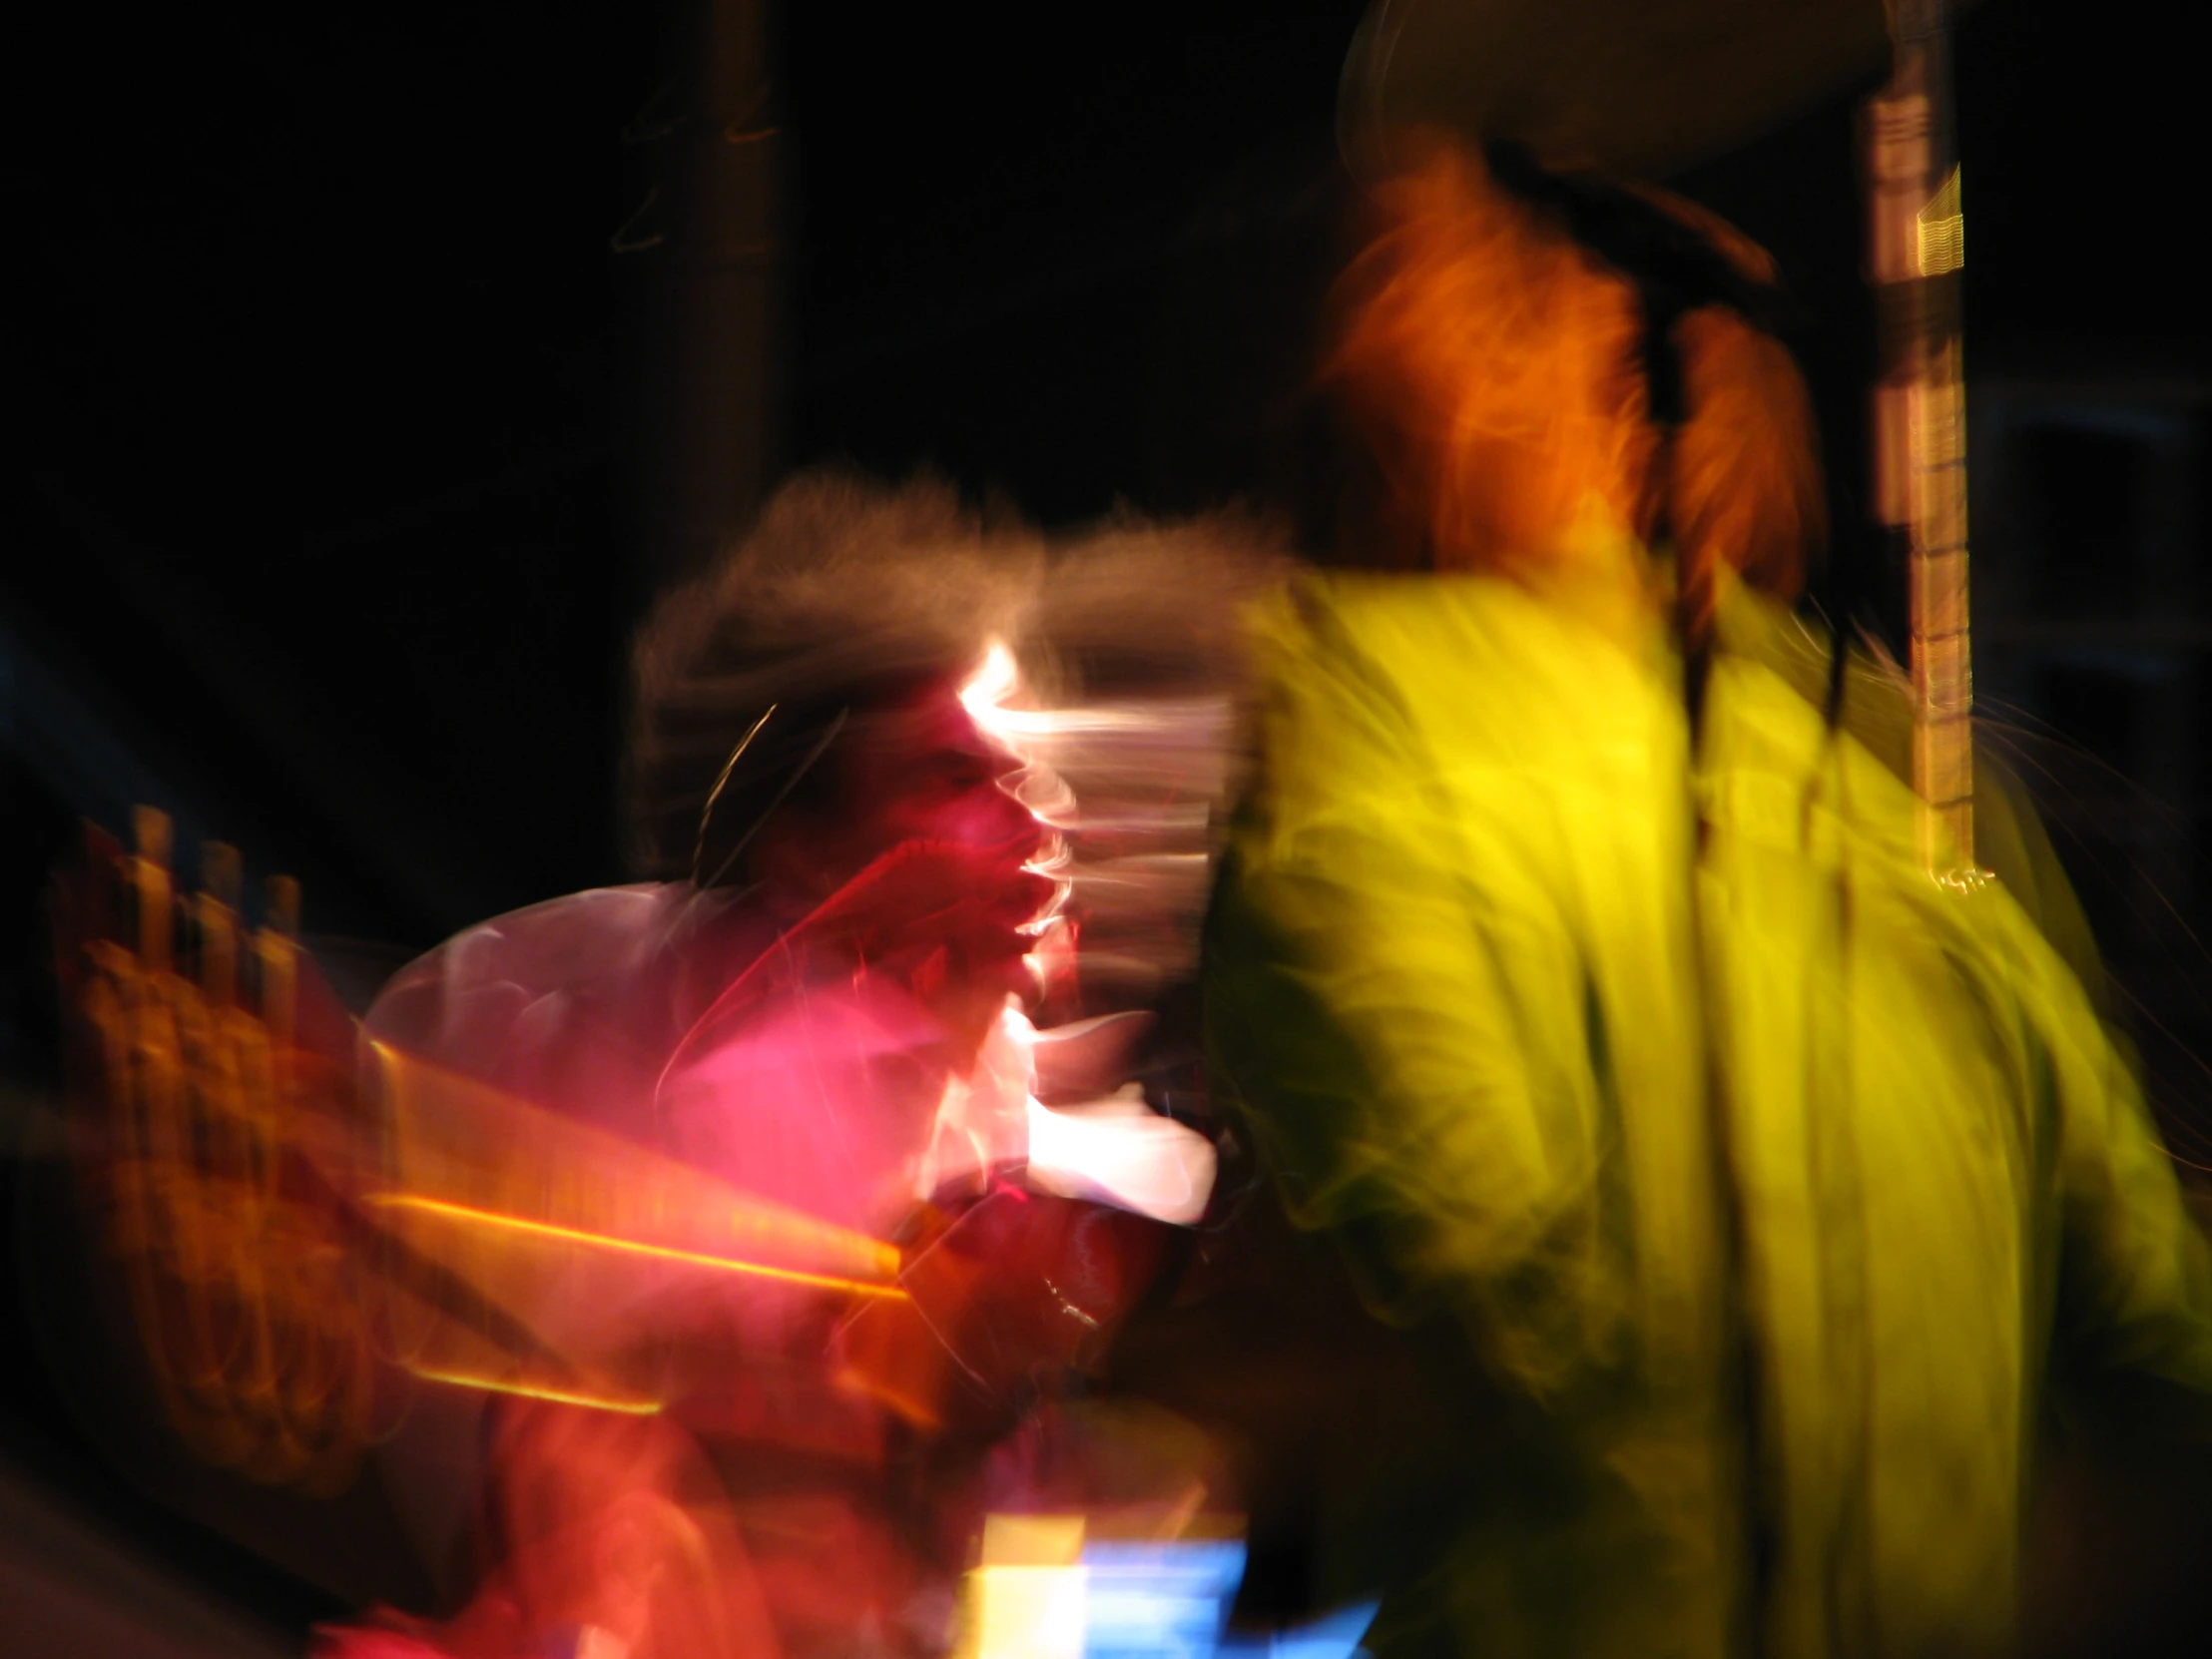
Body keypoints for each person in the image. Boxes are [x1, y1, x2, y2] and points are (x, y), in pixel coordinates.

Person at [1202, 139, 2212, 1659]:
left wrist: (1249, 1434)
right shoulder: (1892, 790)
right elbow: (2152, 1328)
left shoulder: (1357, 718)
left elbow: (1480, 1286)